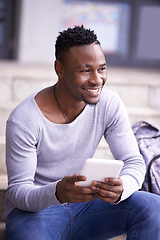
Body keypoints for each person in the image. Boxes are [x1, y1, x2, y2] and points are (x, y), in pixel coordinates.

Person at [4, 25, 160, 240]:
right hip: (35, 214)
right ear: (60, 69)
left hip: (88, 207)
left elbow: (134, 161)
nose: (97, 80)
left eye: (102, 68)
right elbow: (18, 193)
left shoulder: (109, 104)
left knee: (153, 206)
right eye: (85, 70)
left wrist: (123, 187)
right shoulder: (24, 119)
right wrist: (57, 192)